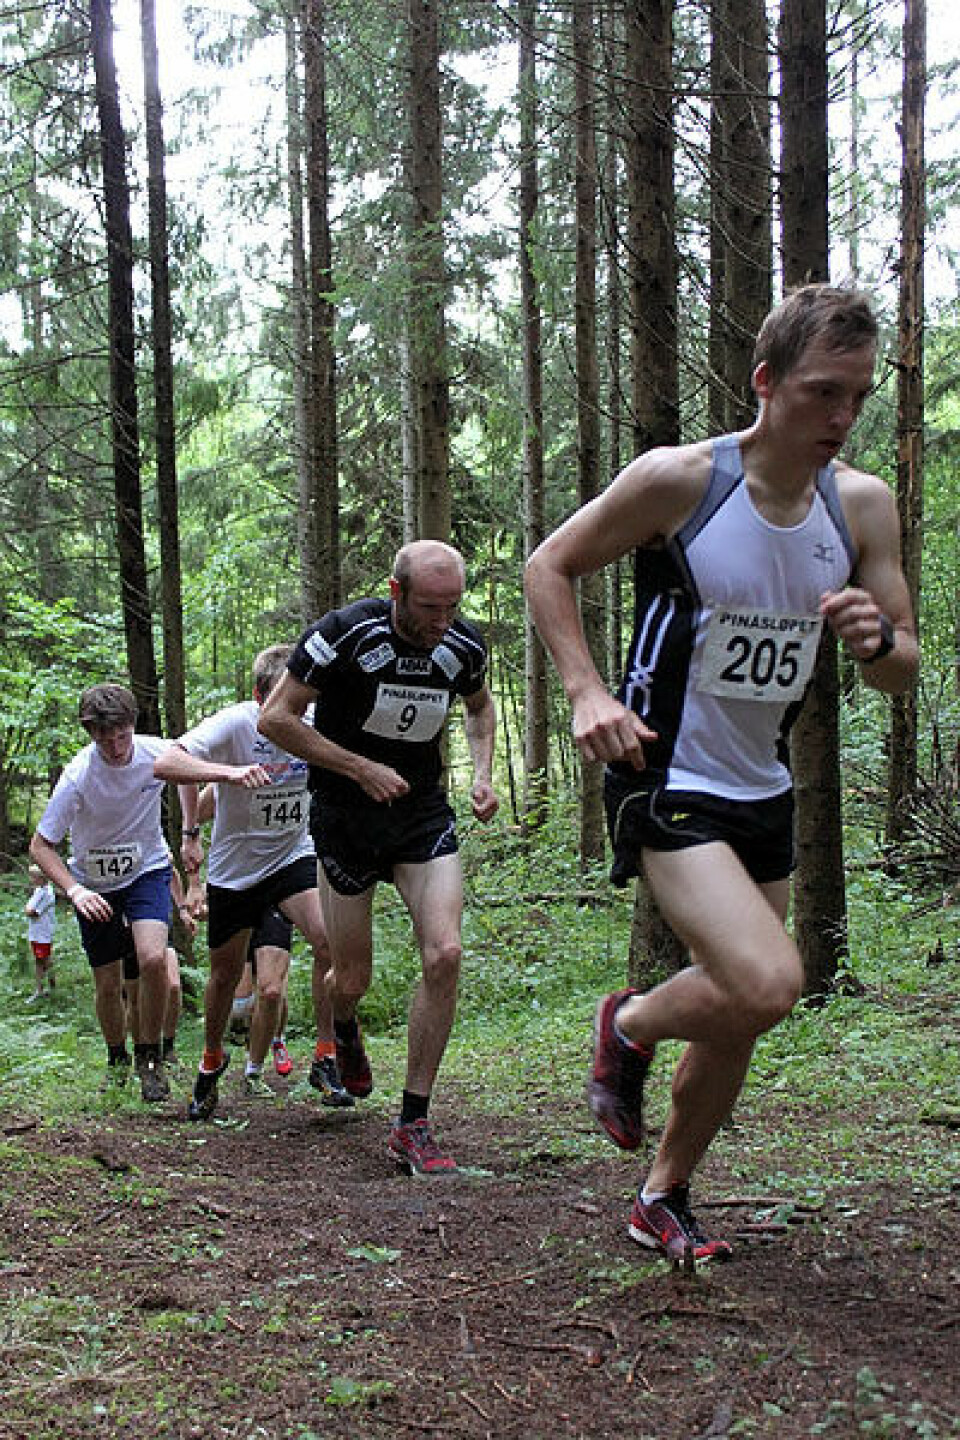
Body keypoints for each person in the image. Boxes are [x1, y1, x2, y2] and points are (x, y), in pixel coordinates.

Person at [524, 284, 919, 1261]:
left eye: (858, 399)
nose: (841, 418)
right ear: (766, 382)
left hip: (762, 785)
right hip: (664, 771)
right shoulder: (681, 482)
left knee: (739, 1013)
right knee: (768, 980)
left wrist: (878, 641)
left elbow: (900, 668)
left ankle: (663, 1195)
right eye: (824, 393)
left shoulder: (861, 504)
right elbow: (549, 565)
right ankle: (632, 1021)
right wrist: (582, 689)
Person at [258, 539, 499, 1175]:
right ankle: (342, 1024)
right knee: (352, 977)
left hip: (420, 817)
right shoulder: (341, 634)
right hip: (345, 820)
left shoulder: (462, 646)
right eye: (428, 606)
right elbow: (274, 720)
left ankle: (413, 1121)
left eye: (452, 606)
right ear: (396, 592)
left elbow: (478, 709)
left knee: (445, 954)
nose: (441, 620)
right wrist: (359, 767)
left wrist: (483, 772)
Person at [154, 644, 350, 1121]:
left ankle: (326, 1056)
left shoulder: (315, 720)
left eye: (301, 703)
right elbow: (167, 763)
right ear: (262, 695)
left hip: (292, 854)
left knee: (331, 943)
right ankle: (211, 1060)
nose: (295, 714)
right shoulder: (237, 723)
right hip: (236, 872)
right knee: (223, 976)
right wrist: (227, 774)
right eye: (285, 702)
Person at [28, 684, 175, 1101]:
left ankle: (150, 1058)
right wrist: (74, 891)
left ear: (133, 726)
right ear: (91, 735)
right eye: (105, 740)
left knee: (152, 958)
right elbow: (40, 845)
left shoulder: (157, 752)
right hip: (94, 884)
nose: (116, 748)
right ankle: (117, 1057)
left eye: (123, 736)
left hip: (147, 869)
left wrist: (190, 836)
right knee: (108, 982)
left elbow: (191, 769)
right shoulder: (77, 777)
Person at [24, 864, 57, 1002]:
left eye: (33, 876)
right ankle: (41, 989)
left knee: (45, 959)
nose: (31, 879)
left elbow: (32, 912)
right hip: (36, 932)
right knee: (39, 959)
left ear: (41, 878)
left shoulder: (46, 893)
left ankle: (48, 988)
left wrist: (27, 909)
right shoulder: (39, 890)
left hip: (42, 933)